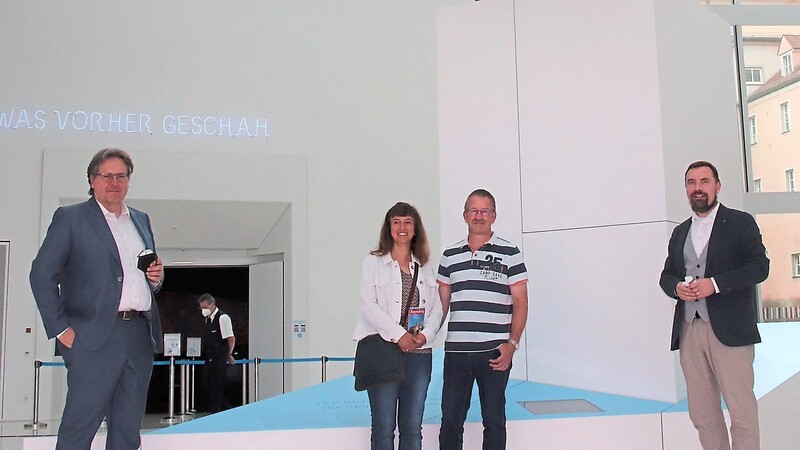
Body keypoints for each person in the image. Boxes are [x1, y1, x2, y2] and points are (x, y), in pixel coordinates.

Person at [29, 148, 165, 450]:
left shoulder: (140, 220)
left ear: (128, 181)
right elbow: (41, 274)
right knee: (80, 428)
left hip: (138, 336)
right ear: (92, 180)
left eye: (121, 176)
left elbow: (140, 276)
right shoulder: (71, 218)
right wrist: (61, 329)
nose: (114, 182)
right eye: (107, 176)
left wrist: (156, 278)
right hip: (91, 338)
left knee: (128, 431)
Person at [659, 161, 769, 450]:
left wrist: (715, 284)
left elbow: (760, 267)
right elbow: (666, 275)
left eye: (705, 181)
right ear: (686, 189)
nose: (698, 188)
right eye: (692, 182)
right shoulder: (680, 232)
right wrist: (676, 288)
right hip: (689, 331)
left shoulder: (740, 222)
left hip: (730, 332)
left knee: (742, 412)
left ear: (717, 186)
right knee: (703, 414)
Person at [437, 189, 529, 450]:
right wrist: (422, 336)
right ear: (464, 215)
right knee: (451, 422)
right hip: (456, 352)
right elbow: (440, 308)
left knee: (494, 421)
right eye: (474, 211)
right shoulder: (449, 256)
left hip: (494, 353)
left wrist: (512, 344)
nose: (479, 216)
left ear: (494, 215)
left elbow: (521, 302)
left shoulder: (510, 252)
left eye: (484, 211)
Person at [353, 202, 443, 450]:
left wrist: (425, 335)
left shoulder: (425, 266)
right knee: (383, 429)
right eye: (396, 222)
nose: (402, 227)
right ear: (388, 228)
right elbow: (368, 305)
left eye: (407, 222)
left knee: (413, 428)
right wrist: (399, 335)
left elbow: (437, 308)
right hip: (384, 352)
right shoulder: (372, 263)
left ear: (415, 229)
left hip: (419, 355)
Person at [198, 293, 236, 413]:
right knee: (208, 383)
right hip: (210, 357)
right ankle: (219, 408)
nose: (203, 310)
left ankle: (219, 410)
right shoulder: (208, 320)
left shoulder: (222, 317)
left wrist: (228, 354)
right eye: (201, 308)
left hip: (219, 358)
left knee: (217, 386)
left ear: (212, 304)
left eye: (205, 307)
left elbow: (230, 338)